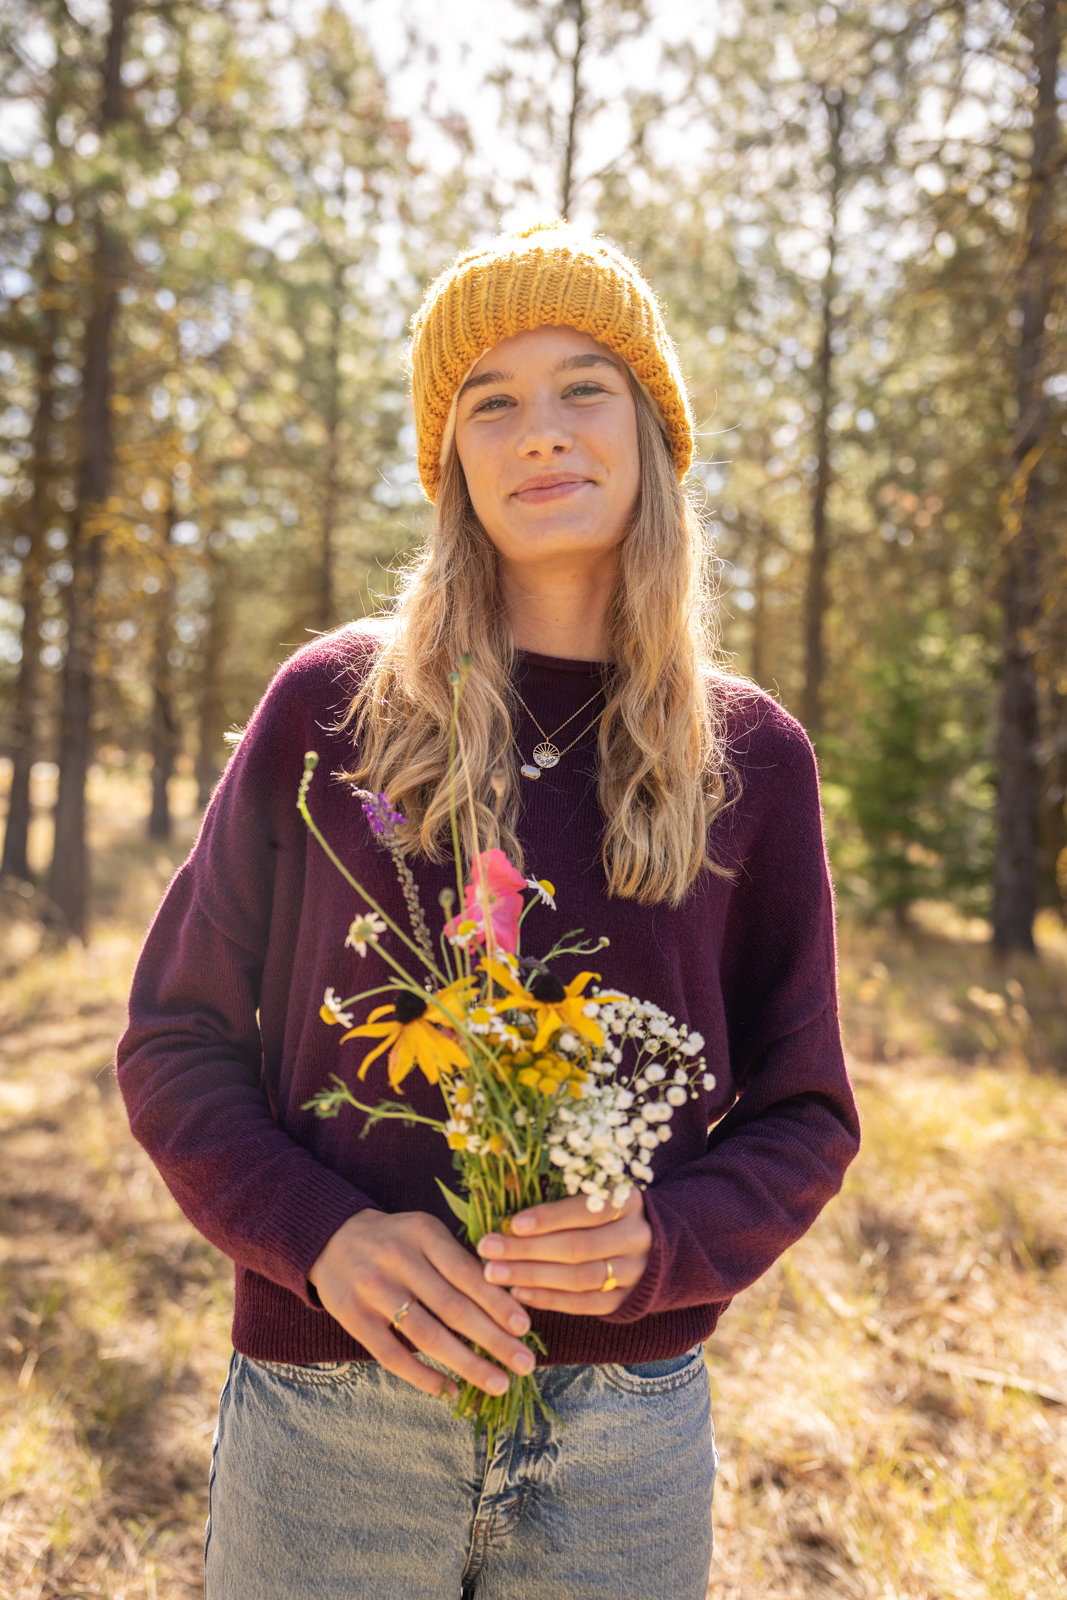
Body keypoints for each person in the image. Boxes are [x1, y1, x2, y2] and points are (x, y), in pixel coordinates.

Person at [117, 221, 859, 1600]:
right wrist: (320, 1237)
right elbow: (172, 1046)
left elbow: (808, 1114)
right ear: (449, 457)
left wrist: (665, 1246)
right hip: (327, 1408)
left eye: (585, 386)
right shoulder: (333, 712)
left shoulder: (748, 760)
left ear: (652, 430)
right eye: (491, 401)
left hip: (622, 1441)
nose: (542, 434)